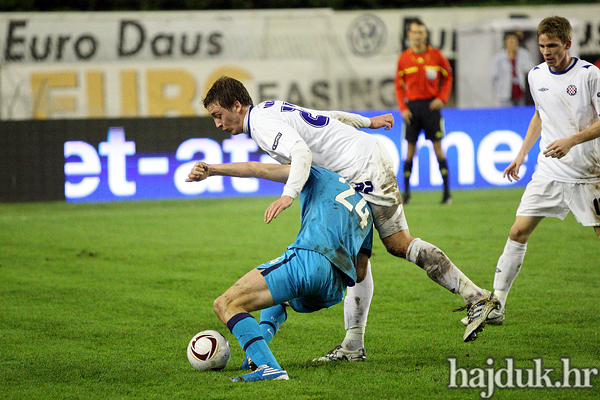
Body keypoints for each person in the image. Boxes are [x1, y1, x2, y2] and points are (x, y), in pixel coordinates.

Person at [199, 76, 500, 351]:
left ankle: (476, 297)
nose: (217, 124)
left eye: (218, 115)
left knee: (398, 244)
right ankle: (353, 346)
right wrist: (366, 122)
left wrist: (288, 195)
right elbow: (325, 118)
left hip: (360, 169)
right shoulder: (268, 109)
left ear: (236, 106)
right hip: (362, 161)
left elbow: (301, 153)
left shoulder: (262, 125)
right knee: (357, 262)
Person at [463, 16, 600, 327]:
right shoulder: (536, 75)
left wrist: (572, 140)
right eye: (541, 46)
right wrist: (521, 154)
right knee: (517, 231)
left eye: (552, 45)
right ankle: (496, 305)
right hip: (549, 170)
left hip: (589, 173)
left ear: (567, 43)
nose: (546, 51)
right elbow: (540, 115)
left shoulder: (591, 75)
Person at [188, 162, 374, 381]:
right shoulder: (365, 210)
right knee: (281, 299)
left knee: (226, 304)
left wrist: (214, 170)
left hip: (311, 258)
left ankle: (269, 368)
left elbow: (258, 169)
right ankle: (255, 354)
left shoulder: (316, 172)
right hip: (333, 288)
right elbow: (360, 273)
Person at [395, 18, 453, 205]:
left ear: (426, 34)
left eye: (421, 32)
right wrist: (403, 108)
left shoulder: (436, 55)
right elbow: (398, 86)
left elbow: (448, 76)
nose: (418, 36)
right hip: (412, 108)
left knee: (438, 149)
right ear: (409, 35)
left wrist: (442, 98)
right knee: (410, 151)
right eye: (414, 32)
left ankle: (446, 194)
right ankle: (406, 195)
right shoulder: (404, 58)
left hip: (431, 107)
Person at [490, 31, 535, 107]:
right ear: (505, 42)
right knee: (506, 113)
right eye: (510, 41)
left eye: (514, 41)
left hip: (520, 90)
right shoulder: (498, 57)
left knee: (520, 113)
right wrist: (498, 89)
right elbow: (493, 75)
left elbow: (531, 69)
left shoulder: (524, 54)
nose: (512, 43)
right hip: (504, 91)